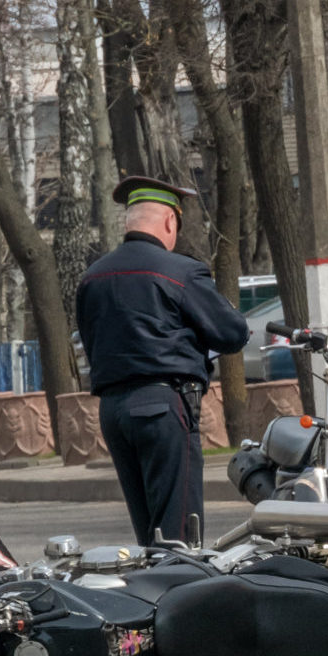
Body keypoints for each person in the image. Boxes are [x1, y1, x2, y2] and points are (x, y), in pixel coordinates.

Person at [75, 175, 248, 548]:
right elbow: (232, 333)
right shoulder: (180, 271)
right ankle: (181, 602)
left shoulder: (92, 277)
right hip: (162, 407)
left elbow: (90, 341)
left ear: (129, 221)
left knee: (148, 530)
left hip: (113, 410)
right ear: (170, 222)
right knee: (179, 534)